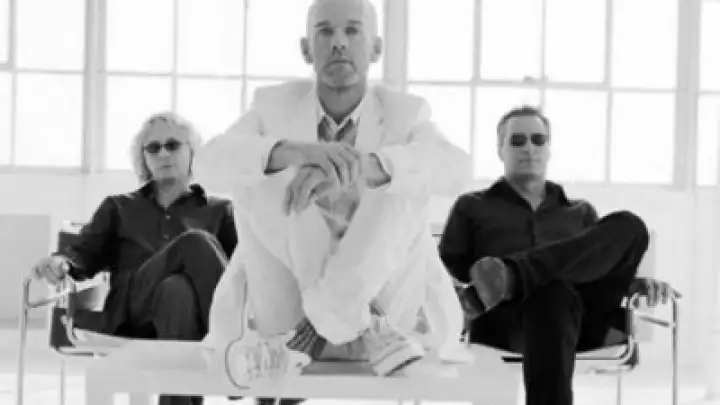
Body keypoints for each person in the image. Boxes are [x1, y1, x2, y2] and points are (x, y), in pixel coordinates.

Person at [194, 0, 470, 392]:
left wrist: (367, 166)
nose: (339, 42)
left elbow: (457, 169)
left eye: (352, 31)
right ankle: (342, 313)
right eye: (325, 31)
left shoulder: (405, 113)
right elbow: (207, 164)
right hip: (294, 309)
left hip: (382, 308)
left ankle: (336, 314)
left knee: (405, 180)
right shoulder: (272, 107)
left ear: (376, 48)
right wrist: (295, 153)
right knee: (253, 168)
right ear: (307, 49)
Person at [439, 105, 680, 405]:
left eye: (538, 139)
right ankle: (517, 279)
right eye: (517, 140)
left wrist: (635, 284)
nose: (529, 148)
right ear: (500, 149)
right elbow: (446, 272)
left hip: (581, 320)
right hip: (504, 322)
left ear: (549, 149)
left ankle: (514, 275)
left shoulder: (579, 211)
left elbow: (597, 271)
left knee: (630, 225)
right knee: (550, 292)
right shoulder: (472, 207)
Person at [31, 112, 237, 405]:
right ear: (143, 158)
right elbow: (85, 252)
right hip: (133, 311)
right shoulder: (118, 207)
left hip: (191, 316)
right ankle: (234, 352)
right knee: (196, 242)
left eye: (172, 145)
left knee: (176, 291)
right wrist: (61, 261)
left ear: (193, 152)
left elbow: (240, 270)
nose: (162, 154)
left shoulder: (220, 210)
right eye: (153, 148)